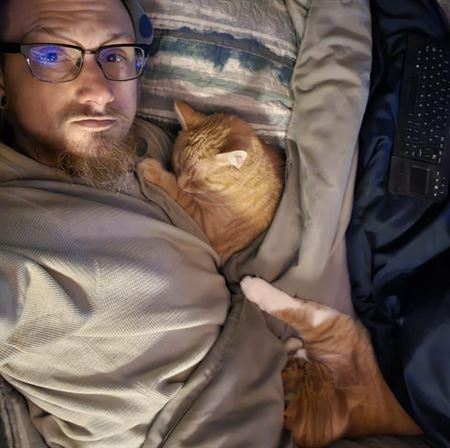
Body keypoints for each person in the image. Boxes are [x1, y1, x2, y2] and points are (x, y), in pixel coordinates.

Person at [0, 0, 288, 447]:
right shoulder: (13, 228)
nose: (101, 93)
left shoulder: (151, 142)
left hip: (289, 387)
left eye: (115, 55)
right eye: (53, 55)